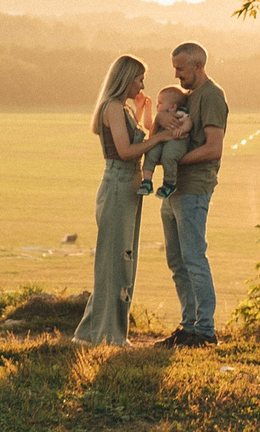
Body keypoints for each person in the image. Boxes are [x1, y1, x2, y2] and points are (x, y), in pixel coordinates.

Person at [73, 54, 185, 346]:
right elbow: (125, 151)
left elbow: (136, 142)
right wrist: (160, 139)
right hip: (118, 184)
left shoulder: (124, 109)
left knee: (120, 260)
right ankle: (108, 335)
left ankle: (92, 333)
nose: (143, 84)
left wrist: (146, 117)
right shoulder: (111, 107)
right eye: (139, 79)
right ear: (126, 78)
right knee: (114, 262)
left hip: (128, 187)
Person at [157, 41, 229, 347]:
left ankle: (206, 331)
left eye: (180, 69)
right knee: (177, 261)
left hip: (194, 188)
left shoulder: (212, 97)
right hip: (174, 189)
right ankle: (187, 327)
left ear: (197, 66)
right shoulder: (188, 97)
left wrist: (172, 161)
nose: (176, 75)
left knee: (194, 258)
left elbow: (213, 148)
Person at [137, 86, 193, 198]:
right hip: (162, 140)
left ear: (173, 107)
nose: (157, 105)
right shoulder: (161, 117)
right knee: (151, 153)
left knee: (169, 155)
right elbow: (149, 125)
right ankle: (147, 181)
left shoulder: (179, 114)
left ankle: (169, 182)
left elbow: (188, 122)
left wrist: (181, 130)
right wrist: (147, 108)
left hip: (176, 140)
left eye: (160, 103)